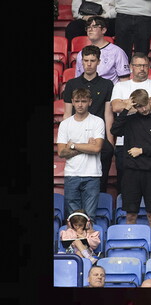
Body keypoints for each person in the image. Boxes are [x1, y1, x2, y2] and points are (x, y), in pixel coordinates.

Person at [111, 89, 151, 236]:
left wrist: (142, 150)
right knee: (130, 216)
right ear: (134, 106)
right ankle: (130, 247)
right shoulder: (130, 119)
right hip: (131, 173)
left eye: (145, 105)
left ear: (150, 100)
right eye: (138, 106)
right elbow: (115, 130)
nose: (143, 109)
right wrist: (125, 109)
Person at [108, 53, 151, 190]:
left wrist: (127, 105)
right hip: (125, 143)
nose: (142, 68)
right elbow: (116, 107)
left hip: (150, 143)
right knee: (126, 187)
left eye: (145, 65)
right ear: (132, 67)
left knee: (150, 189)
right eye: (138, 65)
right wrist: (144, 103)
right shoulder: (120, 86)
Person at [58, 88, 106, 217]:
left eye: (83, 101)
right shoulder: (65, 124)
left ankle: (89, 238)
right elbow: (61, 152)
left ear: (90, 102)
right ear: (72, 102)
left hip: (92, 175)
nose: (80, 104)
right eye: (77, 101)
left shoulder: (98, 121)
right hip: (71, 175)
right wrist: (87, 146)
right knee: (73, 219)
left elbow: (96, 149)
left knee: (90, 218)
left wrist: (73, 145)